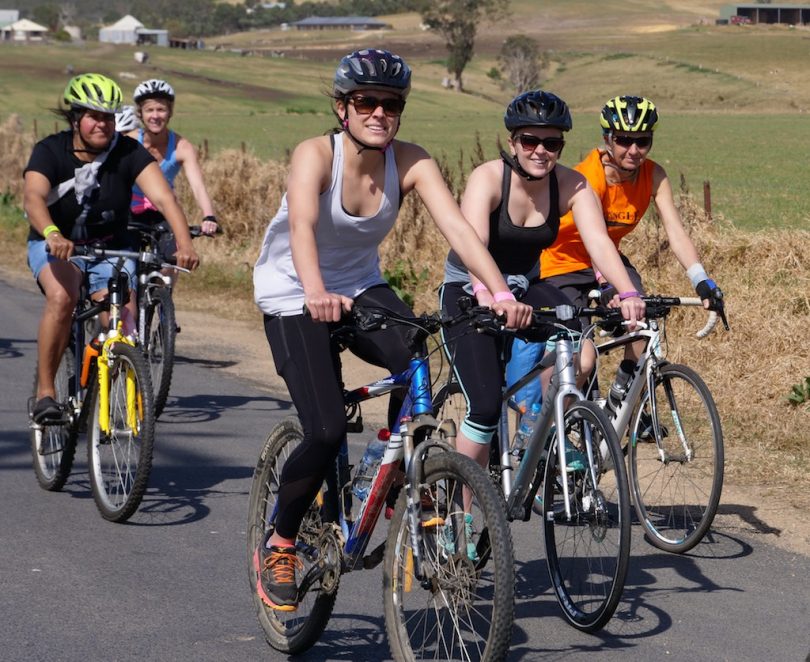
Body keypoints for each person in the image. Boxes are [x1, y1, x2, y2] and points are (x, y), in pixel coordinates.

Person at [251, 48, 532, 611]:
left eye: (391, 104)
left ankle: (399, 465)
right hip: (293, 292)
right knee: (326, 428)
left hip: (359, 286)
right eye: (366, 102)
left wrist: (498, 291)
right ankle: (280, 541)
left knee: (415, 360)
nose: (379, 113)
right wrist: (313, 290)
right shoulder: (315, 155)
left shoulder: (410, 161)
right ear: (342, 108)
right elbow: (303, 226)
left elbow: (458, 228)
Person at [440, 90, 646, 479]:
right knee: (484, 408)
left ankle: (537, 431)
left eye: (551, 143)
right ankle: (460, 515)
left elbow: (599, 243)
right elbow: (472, 247)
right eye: (530, 141)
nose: (540, 151)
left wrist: (627, 292)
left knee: (581, 350)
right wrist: (492, 295)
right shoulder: (488, 178)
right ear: (512, 141)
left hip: (524, 287)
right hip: (471, 291)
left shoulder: (571, 184)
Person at [24, 73, 200, 424]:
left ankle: (97, 374)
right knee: (63, 297)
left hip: (112, 248)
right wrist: (52, 233)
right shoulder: (50, 150)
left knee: (123, 323)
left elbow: (164, 198)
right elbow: (33, 198)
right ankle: (46, 393)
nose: (101, 124)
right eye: (93, 115)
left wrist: (184, 243)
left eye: (107, 116)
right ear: (76, 118)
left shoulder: (127, 152)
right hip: (57, 245)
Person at [540, 95, 724, 396]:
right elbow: (594, 238)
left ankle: (621, 397)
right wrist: (611, 287)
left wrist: (701, 280)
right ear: (607, 138)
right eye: (624, 140)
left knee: (642, 325)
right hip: (562, 263)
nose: (634, 150)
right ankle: (563, 423)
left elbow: (676, 234)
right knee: (581, 362)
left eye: (643, 141)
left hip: (608, 258)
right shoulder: (588, 176)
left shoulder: (654, 175)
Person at [127, 78, 219, 239]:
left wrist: (209, 216)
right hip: (129, 212)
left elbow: (198, 186)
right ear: (140, 113)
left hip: (165, 211)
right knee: (125, 261)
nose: (155, 116)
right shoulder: (129, 142)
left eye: (161, 109)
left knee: (176, 259)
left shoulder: (182, 147)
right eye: (149, 110)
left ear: (170, 112)